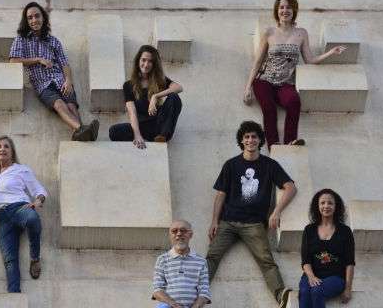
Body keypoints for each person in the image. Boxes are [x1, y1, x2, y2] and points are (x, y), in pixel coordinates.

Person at [206, 121, 297, 308]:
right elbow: (220, 194)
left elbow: (290, 188)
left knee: (266, 261)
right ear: (241, 140)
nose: (250, 140)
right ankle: (194, 292)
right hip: (228, 222)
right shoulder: (231, 165)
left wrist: (276, 212)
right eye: (246, 137)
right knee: (212, 257)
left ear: (260, 140)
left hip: (254, 223)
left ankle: (281, 296)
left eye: (254, 136)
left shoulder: (269, 165)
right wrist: (214, 221)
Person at [243, 0, 346, 149]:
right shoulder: (269, 33)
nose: (285, 10)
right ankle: (274, 145)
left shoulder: (301, 33)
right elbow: (258, 61)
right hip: (264, 81)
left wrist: (331, 52)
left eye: (289, 7)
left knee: (294, 101)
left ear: (294, 10)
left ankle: (291, 141)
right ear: (277, 11)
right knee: (269, 108)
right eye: (282, 7)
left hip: (286, 83)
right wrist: (248, 87)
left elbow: (310, 59)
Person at [10, 1, 98, 141]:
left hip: (60, 79)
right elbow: (13, 60)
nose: (34, 20)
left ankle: (80, 132)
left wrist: (68, 81)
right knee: (59, 104)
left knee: (71, 104)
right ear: (26, 21)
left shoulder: (54, 41)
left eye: (37, 16)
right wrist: (38, 59)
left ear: (43, 18)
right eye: (30, 18)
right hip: (42, 84)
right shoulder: (21, 39)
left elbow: (64, 64)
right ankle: (81, 129)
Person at [0, 135, 47, 293]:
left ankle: (35, 258)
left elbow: (39, 190)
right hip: (2, 217)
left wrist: (37, 202)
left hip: (19, 208)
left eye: (6, 146)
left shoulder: (21, 169)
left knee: (33, 219)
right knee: (9, 259)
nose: (2, 149)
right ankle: (14, 294)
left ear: (12, 152)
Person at [109, 45, 183, 149]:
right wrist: (137, 135)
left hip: (159, 123)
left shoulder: (159, 80)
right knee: (114, 131)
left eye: (150, 61)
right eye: (143, 60)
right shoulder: (128, 85)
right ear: (138, 61)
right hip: (143, 127)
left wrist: (155, 96)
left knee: (174, 97)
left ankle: (163, 136)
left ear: (154, 64)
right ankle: (150, 136)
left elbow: (178, 87)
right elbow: (132, 112)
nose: (146, 64)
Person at [299, 189, 355, 307]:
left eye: (330, 203)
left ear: (336, 206)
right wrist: (311, 276)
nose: (326, 206)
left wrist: (348, 288)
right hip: (311, 274)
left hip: (335, 277)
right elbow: (305, 260)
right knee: (304, 292)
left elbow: (349, 262)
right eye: (322, 203)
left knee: (317, 291)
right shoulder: (309, 230)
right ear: (317, 206)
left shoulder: (345, 231)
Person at [152, 219, 211, 308]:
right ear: (170, 236)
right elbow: (157, 290)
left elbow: (204, 291)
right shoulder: (162, 260)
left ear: (190, 234)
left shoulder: (201, 261)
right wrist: (173, 305)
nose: (179, 234)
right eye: (174, 231)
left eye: (183, 231)